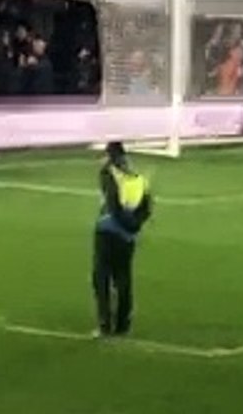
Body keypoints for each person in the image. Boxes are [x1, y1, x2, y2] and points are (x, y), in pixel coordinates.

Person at [93, 142, 153, 338]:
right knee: (123, 278)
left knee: (102, 278)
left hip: (108, 232)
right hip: (127, 237)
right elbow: (146, 209)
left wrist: (123, 224)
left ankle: (105, 324)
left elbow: (113, 205)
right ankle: (123, 325)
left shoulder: (109, 174)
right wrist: (133, 227)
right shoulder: (140, 179)